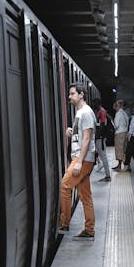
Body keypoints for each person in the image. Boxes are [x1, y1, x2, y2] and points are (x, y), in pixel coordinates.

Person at [58, 83, 96, 239]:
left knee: (65, 186)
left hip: (83, 158)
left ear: (81, 95)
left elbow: (87, 138)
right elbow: (81, 135)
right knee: (85, 196)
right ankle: (89, 229)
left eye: (72, 93)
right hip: (82, 157)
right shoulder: (80, 113)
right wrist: (71, 131)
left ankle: (64, 224)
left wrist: (79, 161)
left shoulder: (86, 112)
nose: (69, 96)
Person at [91, 98, 111, 181]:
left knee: (103, 156)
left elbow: (102, 125)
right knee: (102, 156)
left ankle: (108, 176)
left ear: (97, 104)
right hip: (99, 137)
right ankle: (107, 175)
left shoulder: (102, 112)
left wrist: (97, 136)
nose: (93, 105)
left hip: (100, 138)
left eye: (93, 104)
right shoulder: (100, 111)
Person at [112, 100, 130, 171]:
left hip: (119, 133)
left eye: (116, 105)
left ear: (119, 106)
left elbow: (116, 125)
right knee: (124, 149)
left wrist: (112, 123)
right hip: (125, 132)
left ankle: (124, 165)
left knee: (119, 150)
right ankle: (122, 165)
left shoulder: (118, 114)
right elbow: (128, 122)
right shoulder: (125, 113)